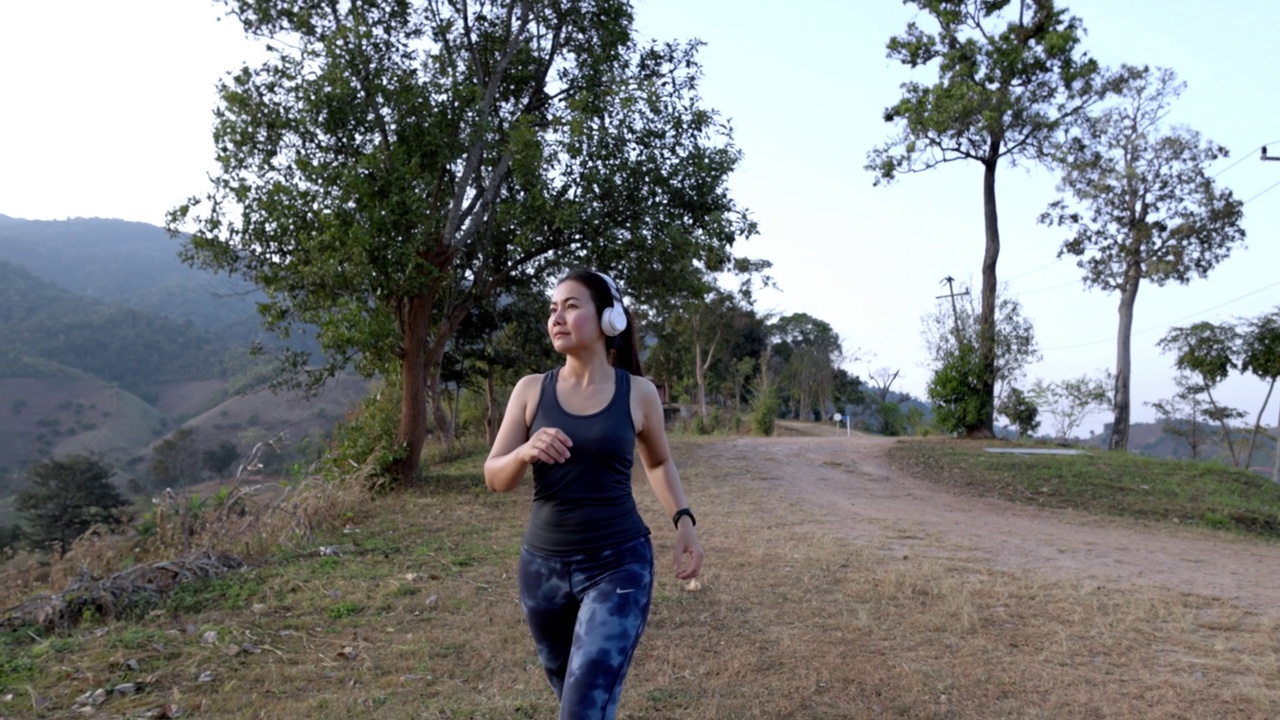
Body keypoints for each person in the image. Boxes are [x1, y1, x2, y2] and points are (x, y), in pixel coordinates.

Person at [484, 267, 704, 720]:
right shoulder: (530, 390)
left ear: (610, 321)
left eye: (571, 306)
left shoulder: (638, 393)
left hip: (618, 565)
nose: (556, 318)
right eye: (552, 309)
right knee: (575, 698)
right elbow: (494, 477)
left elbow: (658, 462)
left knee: (582, 709)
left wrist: (684, 521)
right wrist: (524, 451)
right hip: (542, 572)